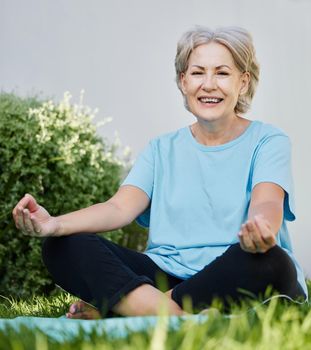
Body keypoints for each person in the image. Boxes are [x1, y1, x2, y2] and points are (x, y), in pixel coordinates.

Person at [13, 26, 307, 319]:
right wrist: (53, 224)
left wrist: (262, 227)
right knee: (63, 246)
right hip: (166, 275)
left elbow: (267, 201)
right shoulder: (160, 149)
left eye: (222, 73)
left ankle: (128, 309)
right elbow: (118, 207)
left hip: (234, 269)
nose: (208, 84)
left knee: (270, 261)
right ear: (183, 82)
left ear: (243, 83)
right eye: (197, 73)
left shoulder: (268, 140)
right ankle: (165, 311)